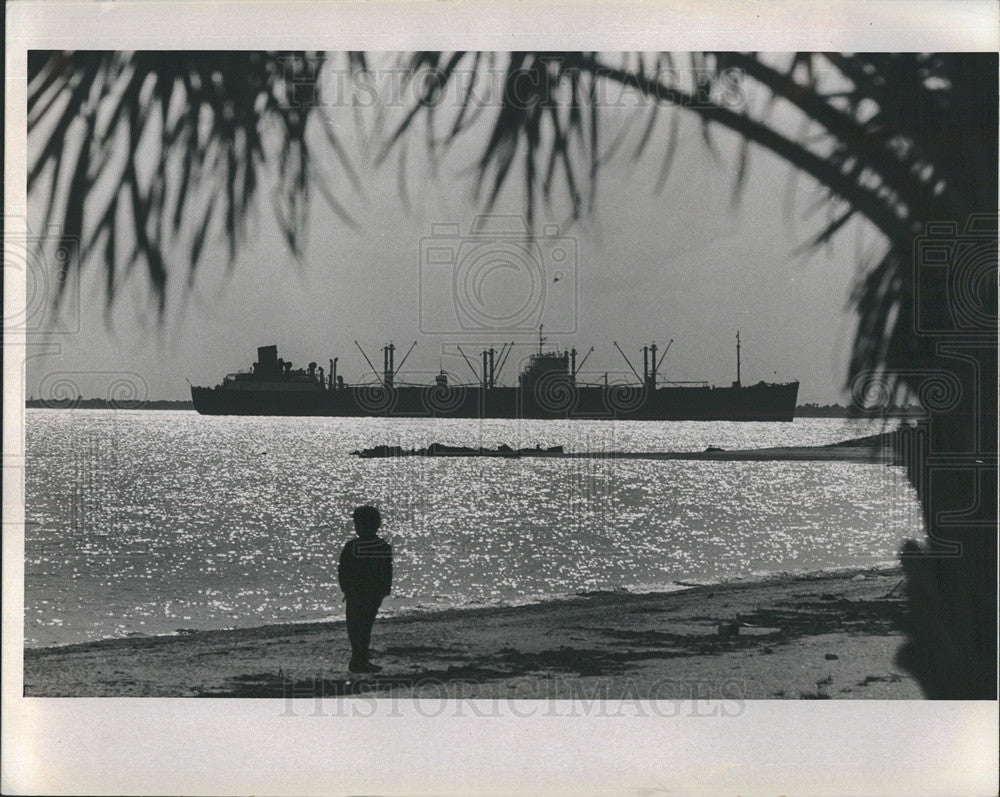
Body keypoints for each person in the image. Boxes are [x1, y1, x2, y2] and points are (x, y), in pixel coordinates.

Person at [338, 505, 392, 673]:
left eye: (358, 524)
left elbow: (344, 571)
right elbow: (386, 573)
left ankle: (359, 660)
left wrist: (347, 589)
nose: (356, 527)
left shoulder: (353, 546)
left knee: (356, 628)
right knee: (364, 627)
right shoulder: (382, 546)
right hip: (370, 594)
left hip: (358, 594)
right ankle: (360, 660)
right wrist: (384, 591)